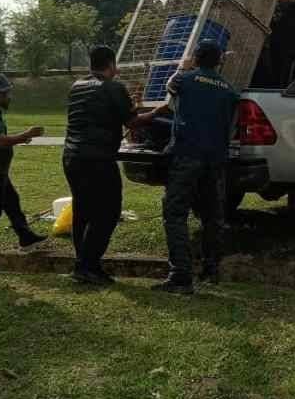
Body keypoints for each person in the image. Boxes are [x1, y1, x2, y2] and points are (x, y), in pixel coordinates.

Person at [62, 45, 163, 285]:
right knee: (108, 211)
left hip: (71, 157)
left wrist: (131, 107)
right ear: (112, 65)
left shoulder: (76, 87)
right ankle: (88, 265)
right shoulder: (113, 87)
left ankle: (83, 264)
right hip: (97, 159)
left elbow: (100, 113)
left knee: (83, 211)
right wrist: (160, 110)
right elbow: (133, 122)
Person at [152, 39, 240, 294]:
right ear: (219, 61)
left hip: (186, 156)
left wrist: (185, 66)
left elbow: (170, 88)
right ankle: (212, 269)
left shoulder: (184, 80)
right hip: (216, 160)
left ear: (197, 58)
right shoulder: (229, 89)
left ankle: (180, 275)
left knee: (175, 214)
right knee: (213, 216)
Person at [0, 73, 47, 253]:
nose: (9, 97)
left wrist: (20, 138)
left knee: (12, 203)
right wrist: (26, 134)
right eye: (7, 93)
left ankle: (26, 237)